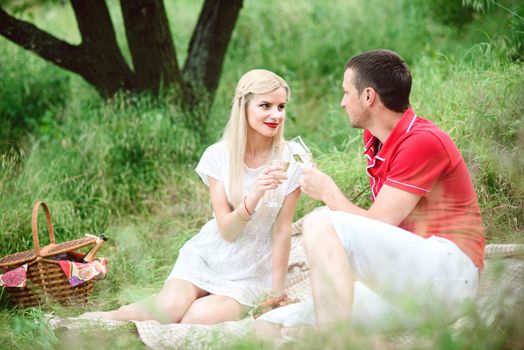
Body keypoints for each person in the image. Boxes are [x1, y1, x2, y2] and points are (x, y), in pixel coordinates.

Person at [256, 49, 485, 334]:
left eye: (346, 93)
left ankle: (336, 342)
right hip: (409, 282)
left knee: (319, 220)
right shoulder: (377, 138)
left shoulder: (423, 141)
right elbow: (380, 234)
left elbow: (378, 224)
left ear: (368, 97)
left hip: (448, 275)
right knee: (277, 321)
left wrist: (329, 192)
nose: (342, 103)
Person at [80, 69, 301, 324]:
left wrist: (276, 292)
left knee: (195, 319)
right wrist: (255, 195)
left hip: (251, 269)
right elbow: (227, 231)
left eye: (281, 106)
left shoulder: (291, 158)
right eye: (266, 105)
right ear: (244, 107)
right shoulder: (218, 156)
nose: (276, 115)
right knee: (170, 309)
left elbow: (282, 231)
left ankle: (196, 304)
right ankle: (98, 319)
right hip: (211, 254)